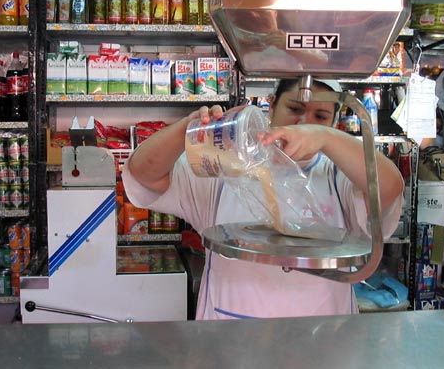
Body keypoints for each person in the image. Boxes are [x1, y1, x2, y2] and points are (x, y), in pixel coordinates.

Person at [122, 79, 404, 320]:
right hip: (231, 344)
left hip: (322, 344)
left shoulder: (339, 177)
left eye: (320, 117)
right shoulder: (226, 168)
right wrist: (190, 128)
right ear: (271, 105)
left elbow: (389, 188)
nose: (303, 124)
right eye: (294, 109)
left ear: (333, 122)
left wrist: (326, 139)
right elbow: (143, 174)